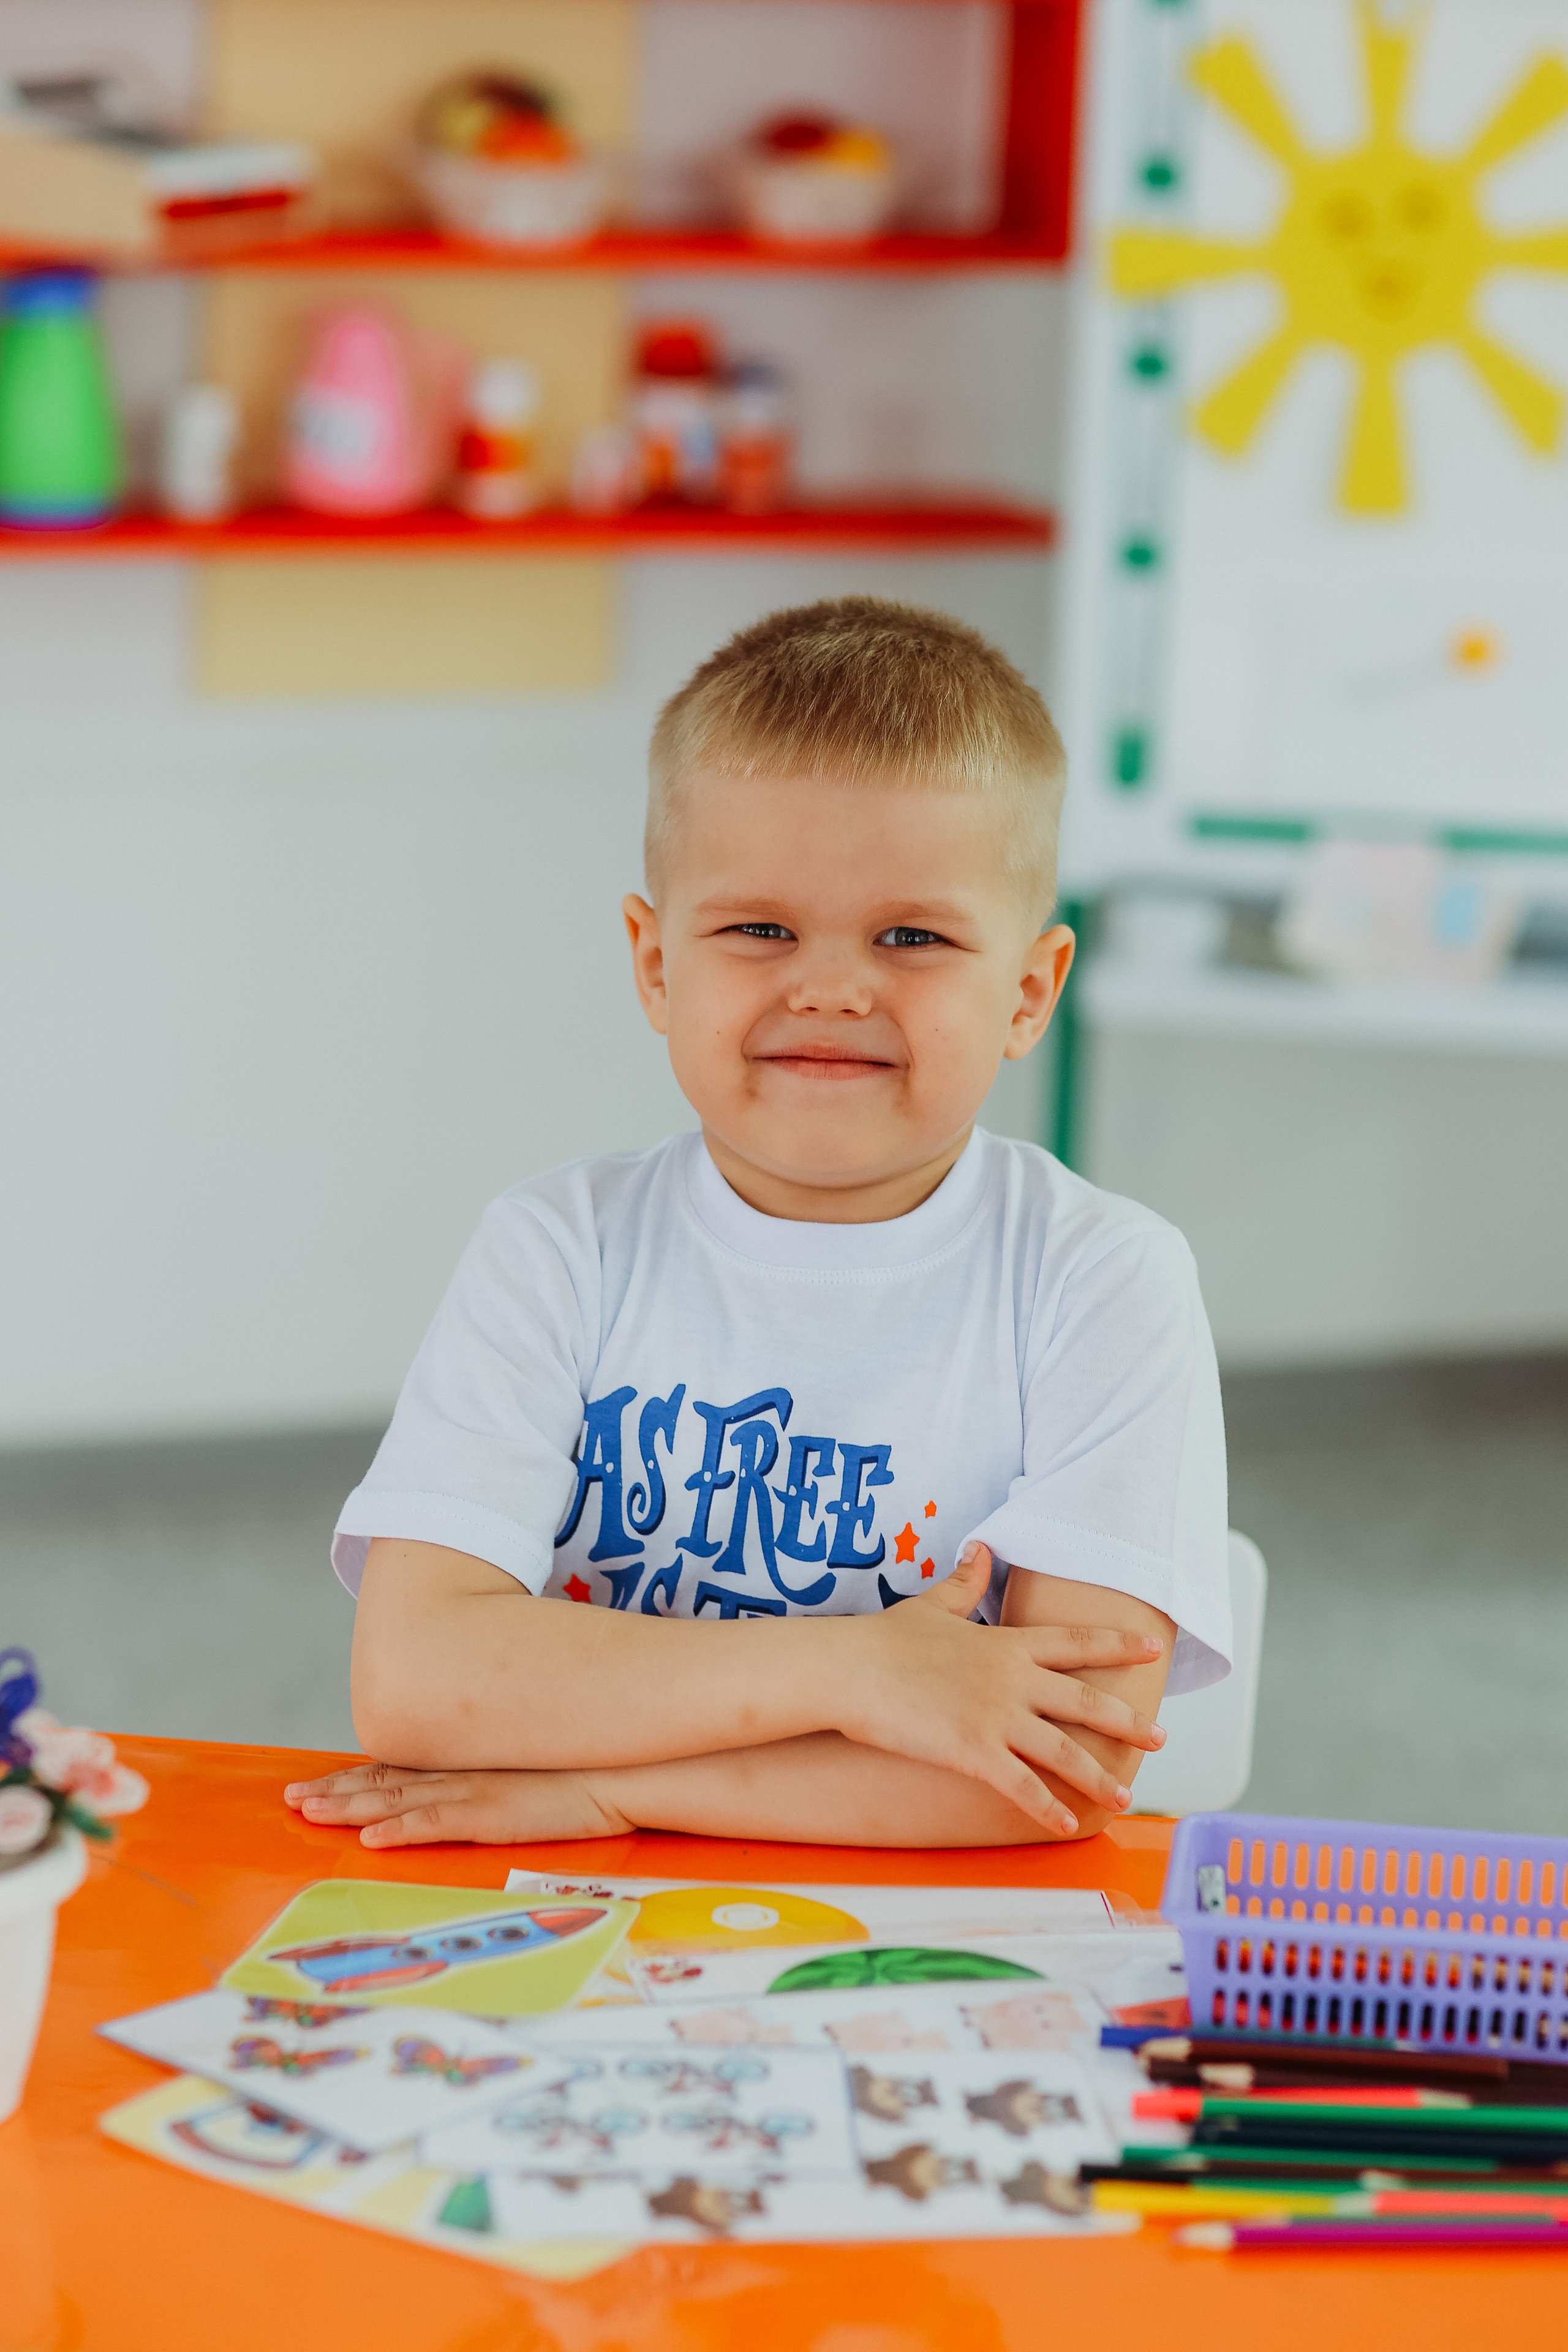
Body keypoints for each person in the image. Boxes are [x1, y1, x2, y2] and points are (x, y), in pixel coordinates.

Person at [285, 597, 1230, 1852]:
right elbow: (414, 1683)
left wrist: (614, 1788)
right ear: (655, 965)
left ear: (1028, 989)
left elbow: (1059, 1770)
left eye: (912, 935)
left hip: (919, 1927)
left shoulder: (1105, 1279)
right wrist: (852, 1671)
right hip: (563, 1923)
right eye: (758, 929)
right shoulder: (555, 1245)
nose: (831, 986)